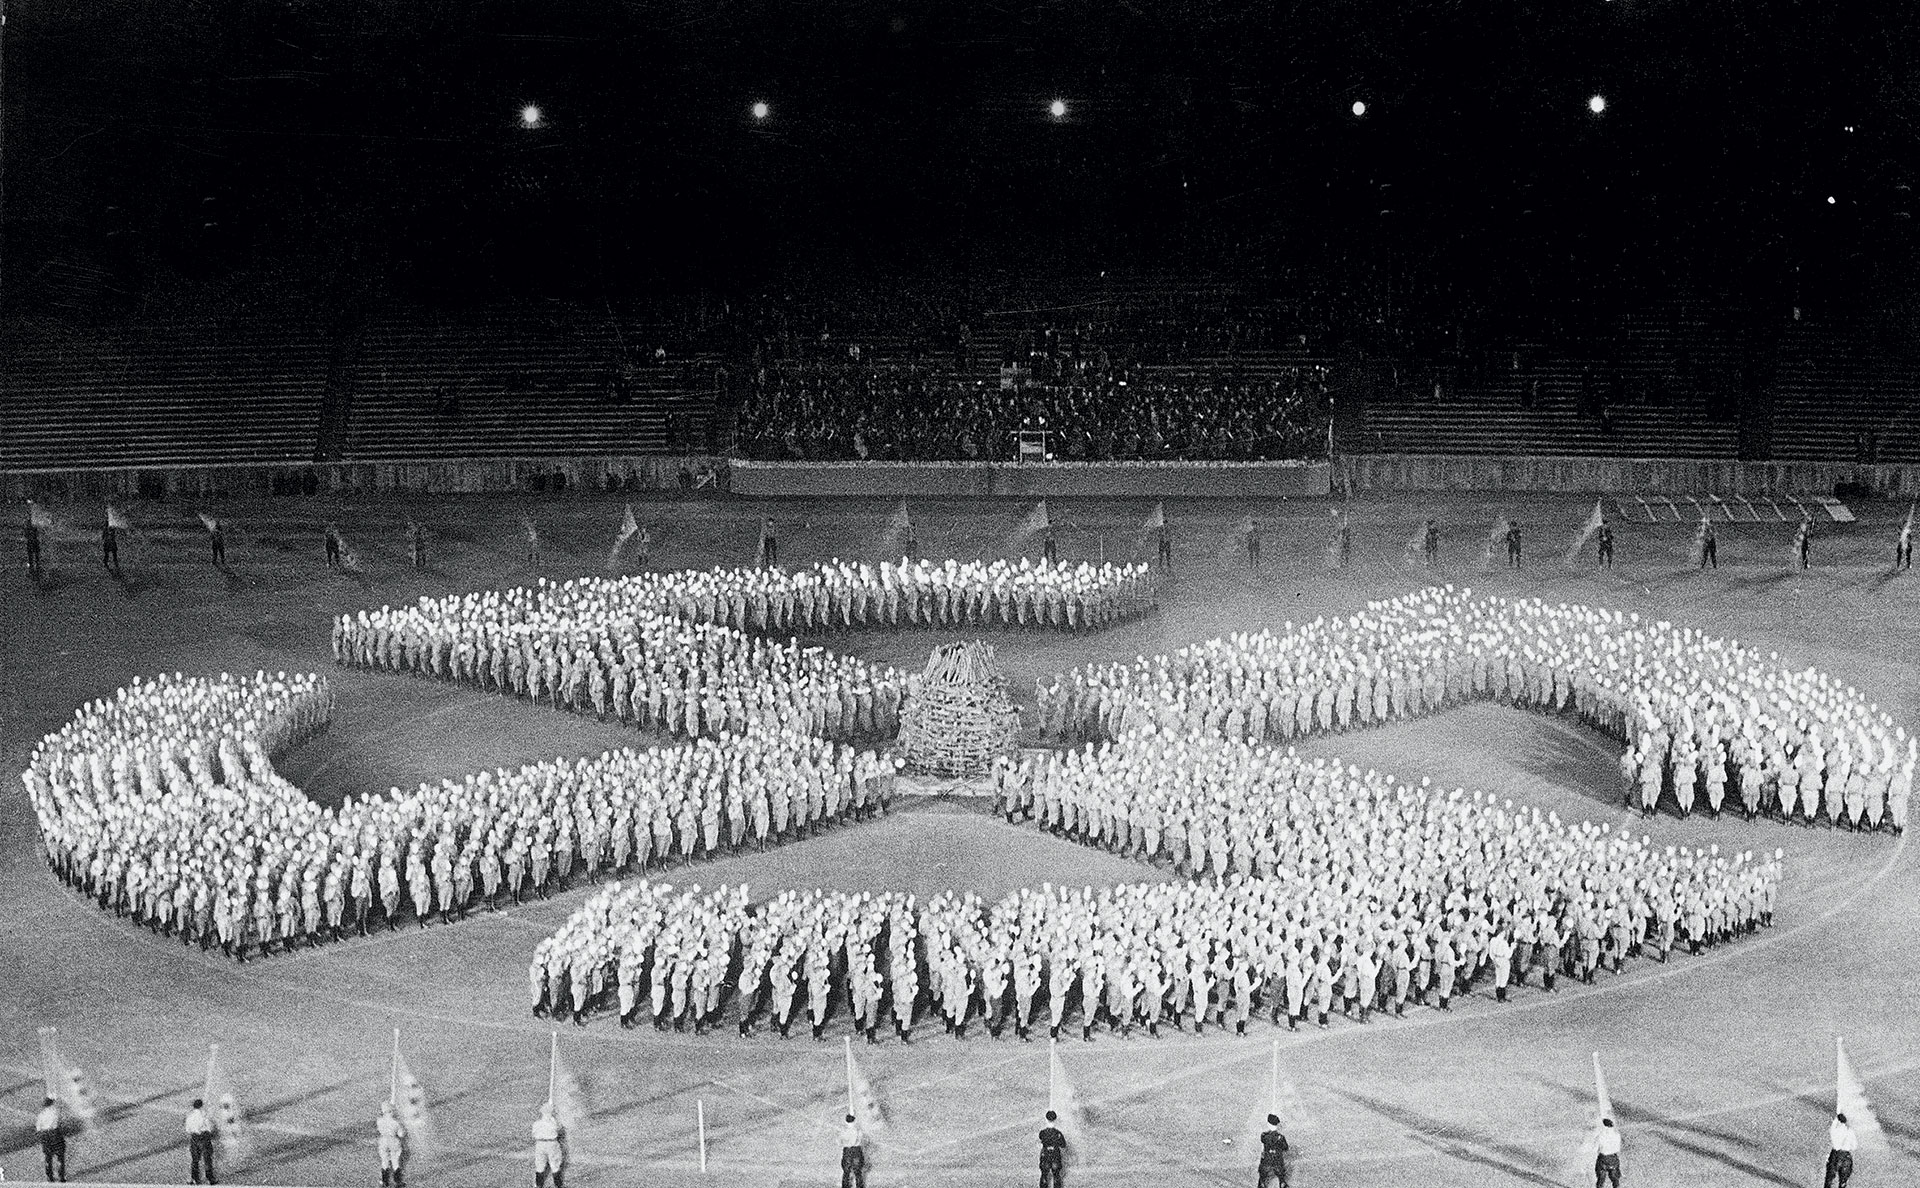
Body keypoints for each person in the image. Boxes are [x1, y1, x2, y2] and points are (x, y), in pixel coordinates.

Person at [532, 1101, 565, 1188]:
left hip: (540, 1144)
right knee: (555, 1165)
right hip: (552, 1144)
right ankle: (558, 1185)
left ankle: (538, 1185)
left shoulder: (536, 1124)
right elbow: (560, 1130)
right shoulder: (553, 1123)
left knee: (539, 1165)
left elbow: (533, 1134)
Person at [186, 1097, 218, 1185]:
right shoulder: (204, 1115)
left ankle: (194, 1178)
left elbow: (188, 1129)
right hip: (204, 1138)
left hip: (194, 1138)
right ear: (201, 1106)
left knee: (195, 1159)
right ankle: (210, 1178)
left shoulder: (190, 1116)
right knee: (207, 1158)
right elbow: (209, 1128)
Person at [36, 1096, 68, 1182]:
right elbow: (60, 1122)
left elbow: (38, 1128)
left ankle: (49, 1176)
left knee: (48, 1156)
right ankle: (61, 1176)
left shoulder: (41, 1115)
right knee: (60, 1155)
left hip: (44, 1134)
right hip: (54, 1133)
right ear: (51, 1104)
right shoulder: (55, 1112)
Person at [376, 1100, 407, 1187]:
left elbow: (379, 1129)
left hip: (383, 1140)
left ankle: (384, 1181)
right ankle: (397, 1181)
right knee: (395, 1160)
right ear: (391, 1111)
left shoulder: (379, 1121)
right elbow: (401, 1134)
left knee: (384, 1161)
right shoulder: (396, 1122)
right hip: (393, 1141)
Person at [1256, 1113, 1289, 1187]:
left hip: (1267, 1158)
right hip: (1277, 1158)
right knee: (1280, 1170)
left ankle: (1262, 1183)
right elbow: (1285, 1148)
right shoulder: (1280, 1137)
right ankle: (1282, 1183)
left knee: (1263, 1171)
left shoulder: (1264, 1135)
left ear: (1269, 1124)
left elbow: (1263, 1145)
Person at [1825, 1112, 1856, 1188]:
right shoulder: (1850, 1131)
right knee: (1843, 1181)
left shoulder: (1834, 1130)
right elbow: (1854, 1146)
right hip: (1846, 1156)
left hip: (1836, 1155)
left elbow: (1833, 1124)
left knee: (1829, 1179)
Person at [1038, 1110, 1067, 1188]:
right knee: (1056, 1176)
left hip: (1045, 1155)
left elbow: (1041, 1140)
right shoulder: (1058, 1134)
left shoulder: (1042, 1133)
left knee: (1044, 1175)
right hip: (1055, 1155)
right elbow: (1063, 1145)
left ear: (1046, 1119)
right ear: (1055, 1120)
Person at [839, 1113, 867, 1188]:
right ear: (854, 1121)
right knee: (858, 1172)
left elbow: (839, 1141)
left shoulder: (843, 1130)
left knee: (846, 1172)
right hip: (856, 1150)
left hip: (847, 1150)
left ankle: (845, 1186)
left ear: (846, 1121)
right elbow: (861, 1140)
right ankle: (859, 1186)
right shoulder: (858, 1131)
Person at [1593, 1116, 1622, 1188]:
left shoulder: (1601, 1136)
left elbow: (1595, 1148)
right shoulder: (1617, 1135)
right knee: (1615, 1179)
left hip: (1603, 1159)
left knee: (1600, 1179)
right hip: (1613, 1158)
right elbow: (1618, 1148)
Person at [25, 515, 44, 581]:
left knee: (32, 556)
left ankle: (33, 568)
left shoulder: (29, 527)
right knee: (35, 556)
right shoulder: (34, 526)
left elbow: (27, 534)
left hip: (31, 542)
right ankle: (36, 567)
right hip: (34, 542)